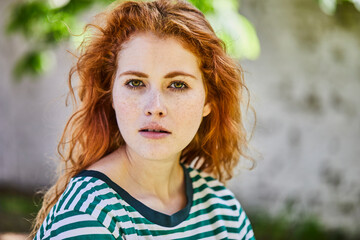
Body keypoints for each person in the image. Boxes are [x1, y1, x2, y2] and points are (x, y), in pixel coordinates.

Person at [32, 0, 255, 239]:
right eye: (135, 83)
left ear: (208, 101)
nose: (155, 107)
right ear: (111, 95)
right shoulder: (89, 215)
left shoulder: (224, 211)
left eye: (178, 85)